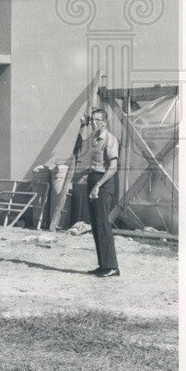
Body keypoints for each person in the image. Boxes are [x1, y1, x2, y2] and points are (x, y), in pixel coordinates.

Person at [72, 108, 120, 277]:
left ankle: (112, 266)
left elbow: (113, 168)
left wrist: (98, 185)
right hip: (93, 179)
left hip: (103, 182)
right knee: (95, 224)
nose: (94, 123)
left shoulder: (110, 139)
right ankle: (103, 265)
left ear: (104, 122)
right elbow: (80, 145)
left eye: (97, 120)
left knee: (103, 224)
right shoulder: (94, 138)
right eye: (92, 120)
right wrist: (83, 124)